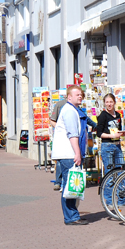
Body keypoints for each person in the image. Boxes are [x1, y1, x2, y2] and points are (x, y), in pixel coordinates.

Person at [52, 85, 89, 225]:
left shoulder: (73, 110)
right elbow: (73, 134)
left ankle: (73, 215)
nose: (80, 96)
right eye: (77, 94)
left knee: (72, 186)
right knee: (70, 186)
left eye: (81, 94)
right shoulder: (69, 111)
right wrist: (77, 153)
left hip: (68, 153)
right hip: (68, 153)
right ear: (69, 97)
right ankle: (71, 217)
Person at [96, 93, 125, 207]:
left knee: (121, 171)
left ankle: (123, 199)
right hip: (107, 146)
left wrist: (121, 134)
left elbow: (119, 130)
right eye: (107, 102)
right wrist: (111, 136)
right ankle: (109, 200)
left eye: (111, 102)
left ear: (114, 102)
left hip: (117, 145)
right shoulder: (103, 115)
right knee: (109, 173)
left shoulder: (118, 115)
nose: (109, 104)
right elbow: (99, 133)